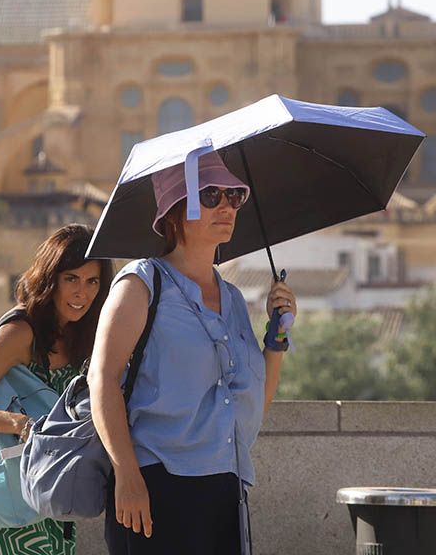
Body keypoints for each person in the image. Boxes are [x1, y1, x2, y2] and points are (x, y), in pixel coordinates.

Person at [88, 151, 298, 554]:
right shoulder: (141, 284)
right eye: (211, 194)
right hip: (156, 482)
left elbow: (253, 401)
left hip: (225, 486)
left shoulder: (235, 298)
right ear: (175, 211)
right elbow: (102, 379)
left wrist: (276, 339)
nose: (227, 206)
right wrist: (126, 473)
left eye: (235, 195)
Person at [0, 223, 114, 555]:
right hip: (0, 505)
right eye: (71, 279)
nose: (83, 293)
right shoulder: (21, 333)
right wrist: (22, 425)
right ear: (51, 281)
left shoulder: (84, 339)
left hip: (51, 499)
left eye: (92, 281)